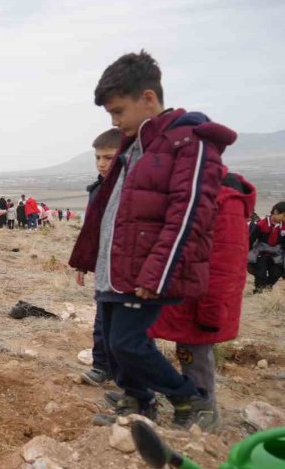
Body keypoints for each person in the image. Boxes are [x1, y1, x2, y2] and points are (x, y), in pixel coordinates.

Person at [69, 50, 231, 429]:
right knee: (112, 342)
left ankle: (188, 396)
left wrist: (157, 276)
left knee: (128, 342)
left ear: (147, 98)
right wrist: (88, 256)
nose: (115, 121)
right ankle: (138, 401)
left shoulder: (187, 142)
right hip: (117, 267)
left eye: (119, 111)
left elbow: (189, 213)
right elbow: (108, 209)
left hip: (145, 270)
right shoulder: (134, 145)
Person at [145, 170, 255, 431]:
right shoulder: (187, 187)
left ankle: (204, 411)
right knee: (145, 341)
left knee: (194, 353)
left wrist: (212, 310)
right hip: (176, 290)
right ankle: (158, 400)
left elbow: (225, 263)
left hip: (200, 298)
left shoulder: (225, 199)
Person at [78, 128, 121, 387]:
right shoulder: (98, 190)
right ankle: (101, 366)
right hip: (104, 267)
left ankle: (128, 376)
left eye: (109, 157)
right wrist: (84, 261)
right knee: (102, 319)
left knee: (127, 328)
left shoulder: (133, 188)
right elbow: (91, 230)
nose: (102, 164)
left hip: (127, 268)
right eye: (98, 158)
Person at [249, 202, 285, 292]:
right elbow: (250, 240)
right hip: (262, 253)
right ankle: (258, 291)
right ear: (276, 212)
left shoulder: (284, 227)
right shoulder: (261, 224)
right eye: (284, 216)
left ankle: (267, 288)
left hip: (277, 254)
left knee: (277, 273)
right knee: (260, 273)